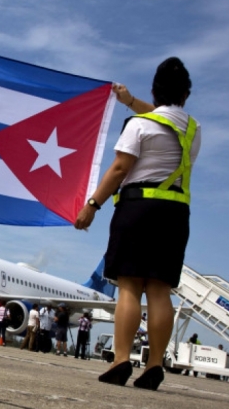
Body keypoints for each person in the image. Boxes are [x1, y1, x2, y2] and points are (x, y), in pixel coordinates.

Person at [75, 57, 200, 391]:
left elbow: (119, 169)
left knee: (129, 285)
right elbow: (164, 116)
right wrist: (130, 102)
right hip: (175, 214)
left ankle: (121, 360)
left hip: (138, 209)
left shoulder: (139, 126)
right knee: (159, 290)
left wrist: (92, 205)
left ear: (154, 91)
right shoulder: (192, 130)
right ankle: (155, 364)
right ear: (186, 95)